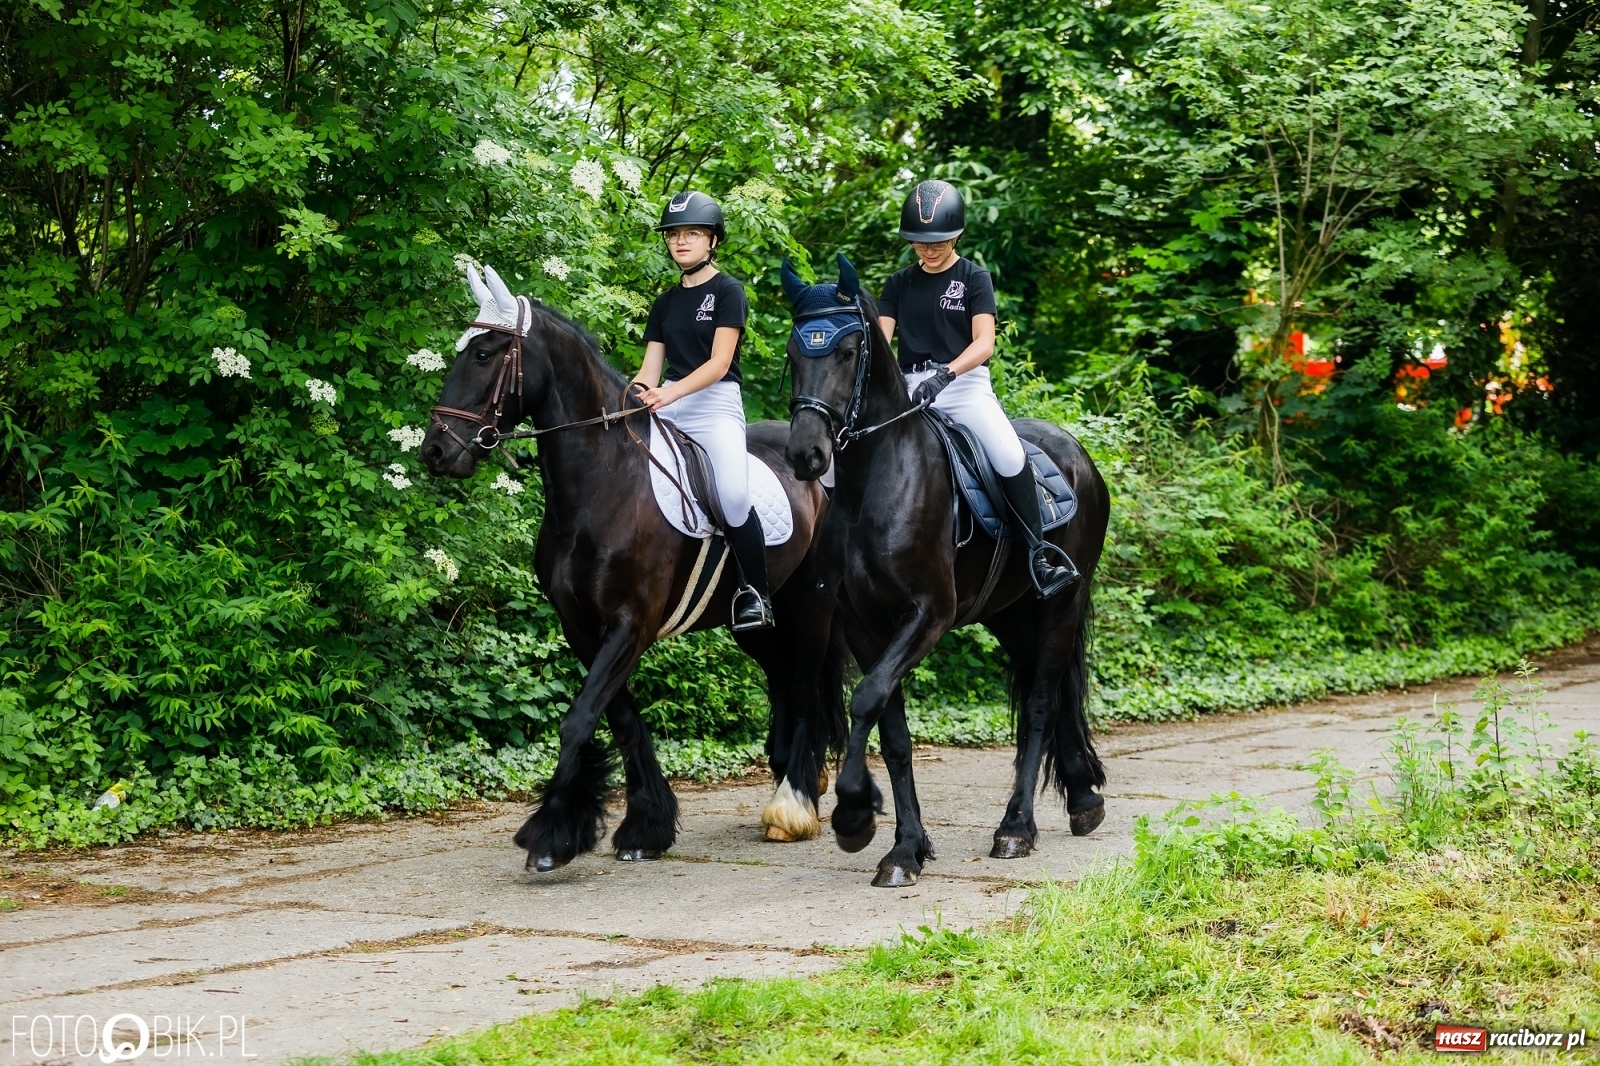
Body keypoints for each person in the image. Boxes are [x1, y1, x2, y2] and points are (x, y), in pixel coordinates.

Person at [878, 179, 1077, 596]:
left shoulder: (973, 277)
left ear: (957, 234)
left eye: (938, 241)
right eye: (919, 242)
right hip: (910, 386)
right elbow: (882, 341)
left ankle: (1038, 554)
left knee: (1007, 452)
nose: (929, 250)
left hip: (963, 384)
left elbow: (984, 342)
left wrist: (946, 374)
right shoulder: (898, 283)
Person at [632, 191, 773, 630]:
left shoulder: (729, 291)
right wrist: (628, 396)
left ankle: (757, 594)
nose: (680, 242)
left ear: (713, 240)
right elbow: (649, 371)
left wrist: (667, 396)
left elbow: (718, 364)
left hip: (714, 405)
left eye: (692, 233)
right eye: (674, 234)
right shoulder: (665, 302)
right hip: (668, 401)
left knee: (732, 496)